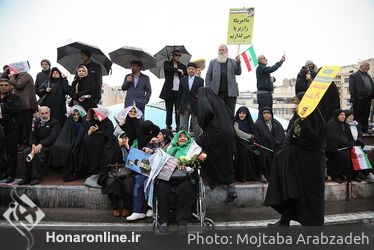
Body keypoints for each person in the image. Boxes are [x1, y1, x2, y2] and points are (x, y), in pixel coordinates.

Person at [265, 92, 326, 226]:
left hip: (310, 167)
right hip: (296, 163)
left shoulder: (315, 117)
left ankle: (310, 224)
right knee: (291, 192)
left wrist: (303, 120)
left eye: (298, 103)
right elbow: (291, 135)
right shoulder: (297, 117)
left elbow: (311, 139)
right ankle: (284, 221)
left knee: (304, 196)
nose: (295, 106)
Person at [197, 87, 237, 202]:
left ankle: (213, 181)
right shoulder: (220, 101)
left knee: (210, 157)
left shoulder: (204, 99)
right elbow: (231, 115)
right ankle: (231, 188)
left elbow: (207, 112)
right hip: (229, 134)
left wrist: (203, 125)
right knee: (226, 159)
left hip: (215, 133)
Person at [157, 130, 202, 233]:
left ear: (188, 138)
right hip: (169, 177)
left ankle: (182, 221)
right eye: (180, 136)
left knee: (185, 188)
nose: (182, 138)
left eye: (184, 137)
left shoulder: (194, 148)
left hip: (185, 177)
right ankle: (163, 219)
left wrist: (186, 163)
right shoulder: (170, 148)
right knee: (162, 187)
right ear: (176, 138)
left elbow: (195, 161)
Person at [126, 120, 160, 221]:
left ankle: (151, 207)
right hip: (142, 167)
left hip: (156, 168)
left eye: (151, 132)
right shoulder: (137, 139)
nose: (149, 134)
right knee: (138, 184)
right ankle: (138, 211)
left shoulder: (157, 137)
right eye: (147, 132)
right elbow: (133, 155)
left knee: (151, 185)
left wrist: (154, 145)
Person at [18, 106, 60, 185]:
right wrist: (33, 144)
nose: (44, 115)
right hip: (37, 145)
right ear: (39, 114)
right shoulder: (37, 121)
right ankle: (26, 177)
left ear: (49, 113)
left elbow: (52, 137)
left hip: (48, 146)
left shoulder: (55, 122)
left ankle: (36, 177)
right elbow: (33, 135)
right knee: (26, 151)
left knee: (38, 153)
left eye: (46, 113)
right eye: (42, 113)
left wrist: (41, 144)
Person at [98, 133, 135, 217]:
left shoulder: (129, 147)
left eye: (126, 138)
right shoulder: (111, 147)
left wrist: (127, 147)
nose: (124, 140)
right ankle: (115, 207)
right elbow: (109, 160)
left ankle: (126, 207)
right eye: (122, 138)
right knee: (112, 182)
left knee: (129, 182)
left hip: (127, 173)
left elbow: (133, 161)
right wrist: (118, 145)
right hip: (114, 173)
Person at [48, 105, 88, 182]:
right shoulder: (69, 121)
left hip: (79, 143)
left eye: (77, 115)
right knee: (59, 147)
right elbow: (65, 133)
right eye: (74, 115)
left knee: (74, 151)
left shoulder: (84, 123)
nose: (76, 117)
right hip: (69, 141)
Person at [205, 44, 241, 114]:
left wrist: (238, 63)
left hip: (230, 94)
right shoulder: (212, 62)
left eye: (223, 50)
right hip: (216, 93)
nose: (221, 51)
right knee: (217, 113)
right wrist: (208, 87)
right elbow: (208, 76)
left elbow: (238, 72)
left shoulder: (233, 61)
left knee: (230, 113)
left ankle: (230, 125)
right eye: (220, 50)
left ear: (227, 51)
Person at [8, 68, 37, 149]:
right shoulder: (19, 76)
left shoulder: (24, 74)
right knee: (20, 125)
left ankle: (25, 143)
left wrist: (11, 78)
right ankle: (21, 142)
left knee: (25, 126)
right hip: (22, 106)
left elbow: (19, 85)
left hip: (26, 105)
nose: (11, 72)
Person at [80, 107, 114, 177]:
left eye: (97, 114)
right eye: (94, 114)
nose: (95, 116)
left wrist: (98, 132)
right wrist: (90, 132)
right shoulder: (90, 122)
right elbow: (85, 135)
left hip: (103, 145)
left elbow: (109, 135)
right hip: (90, 146)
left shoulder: (108, 122)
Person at [233, 106, 264, 182]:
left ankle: (258, 175)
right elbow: (238, 133)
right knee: (244, 153)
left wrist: (254, 139)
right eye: (240, 113)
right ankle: (243, 177)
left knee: (259, 153)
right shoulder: (236, 122)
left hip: (250, 144)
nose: (241, 115)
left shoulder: (250, 123)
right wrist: (249, 136)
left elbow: (255, 134)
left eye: (243, 113)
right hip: (239, 144)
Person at [253, 107, 286, 179]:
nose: (266, 115)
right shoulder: (258, 124)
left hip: (275, 146)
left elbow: (281, 135)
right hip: (263, 146)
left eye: (268, 113)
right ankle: (263, 175)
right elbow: (256, 137)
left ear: (271, 114)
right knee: (263, 154)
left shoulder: (276, 123)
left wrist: (277, 141)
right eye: (264, 113)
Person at [0, 79, 22, 183]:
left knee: (11, 153)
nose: (3, 87)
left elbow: (17, 109)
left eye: (6, 85)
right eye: (1, 85)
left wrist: (4, 106)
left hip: (11, 128)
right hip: (1, 127)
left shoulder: (15, 97)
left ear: (10, 87)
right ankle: (3, 173)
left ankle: (10, 174)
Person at [159, 50, 187, 131]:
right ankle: (168, 126)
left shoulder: (182, 66)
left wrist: (181, 71)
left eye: (179, 55)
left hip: (179, 92)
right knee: (169, 111)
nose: (178, 57)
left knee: (178, 111)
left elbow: (186, 74)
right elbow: (168, 69)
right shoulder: (167, 63)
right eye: (176, 55)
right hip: (169, 92)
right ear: (172, 56)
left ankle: (178, 127)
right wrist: (178, 70)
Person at [326, 109, 356, 183]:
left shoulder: (345, 125)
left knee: (357, 153)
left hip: (344, 147)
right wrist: (344, 144)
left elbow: (350, 137)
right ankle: (335, 175)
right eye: (341, 115)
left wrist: (351, 144)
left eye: (344, 115)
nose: (343, 116)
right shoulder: (331, 125)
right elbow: (332, 139)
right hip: (333, 149)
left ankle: (354, 175)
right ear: (337, 116)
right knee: (342, 155)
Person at [344, 110, 374, 182]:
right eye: (349, 116)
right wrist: (351, 144)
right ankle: (367, 174)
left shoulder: (356, 125)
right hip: (349, 146)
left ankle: (368, 173)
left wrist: (359, 143)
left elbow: (359, 136)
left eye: (352, 115)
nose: (351, 117)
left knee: (362, 154)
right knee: (358, 155)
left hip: (357, 146)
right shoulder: (344, 125)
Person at [178, 62, 204, 137]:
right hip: (184, 105)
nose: (190, 70)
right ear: (187, 70)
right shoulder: (183, 80)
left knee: (196, 125)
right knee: (182, 125)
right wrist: (178, 106)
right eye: (189, 69)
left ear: (195, 70)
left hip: (196, 105)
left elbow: (201, 94)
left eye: (192, 69)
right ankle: (184, 141)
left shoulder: (200, 80)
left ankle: (197, 142)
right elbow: (179, 94)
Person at [349, 61, 374, 133]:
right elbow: (351, 89)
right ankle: (357, 131)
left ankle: (364, 130)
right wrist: (354, 98)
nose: (368, 67)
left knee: (366, 115)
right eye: (367, 65)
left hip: (368, 99)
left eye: (369, 66)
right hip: (358, 100)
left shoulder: (368, 76)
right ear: (361, 66)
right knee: (357, 116)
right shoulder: (354, 76)